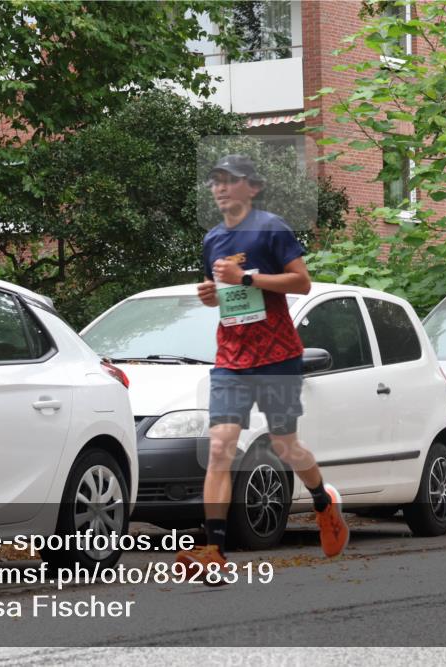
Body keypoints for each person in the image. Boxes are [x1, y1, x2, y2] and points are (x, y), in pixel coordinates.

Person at [175, 154, 349, 583]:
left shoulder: (271, 228)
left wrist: (247, 279)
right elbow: (223, 293)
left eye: (229, 181)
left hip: (277, 356)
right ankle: (213, 550)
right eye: (214, 181)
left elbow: (301, 282)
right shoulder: (213, 238)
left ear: (251, 188)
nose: (219, 188)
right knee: (220, 447)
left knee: (286, 447)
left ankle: (324, 503)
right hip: (231, 358)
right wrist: (210, 295)